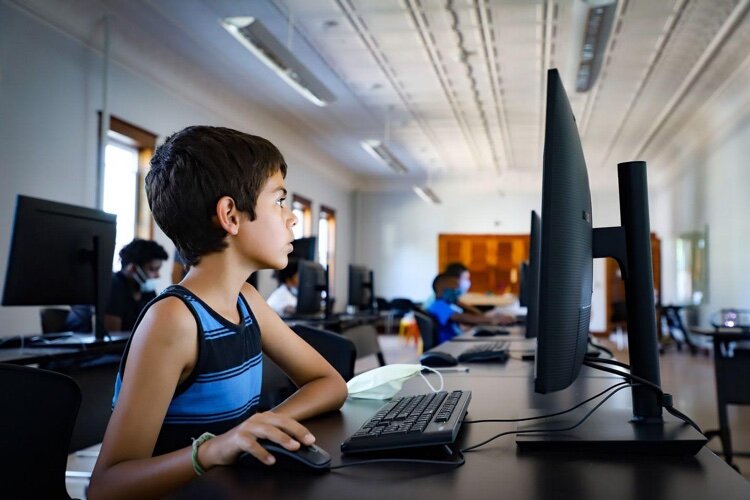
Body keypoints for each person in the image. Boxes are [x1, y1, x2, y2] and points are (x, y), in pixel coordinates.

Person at [88, 126, 348, 499]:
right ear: (230, 215)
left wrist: (262, 426)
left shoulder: (248, 301)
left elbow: (329, 383)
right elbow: (106, 486)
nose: (291, 218)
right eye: (278, 201)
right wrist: (213, 449)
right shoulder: (175, 320)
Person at [104, 239, 168, 332]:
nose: (158, 275)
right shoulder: (113, 287)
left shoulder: (148, 291)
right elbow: (113, 335)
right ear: (133, 269)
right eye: (153, 269)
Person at [427, 273, 508, 344]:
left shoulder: (446, 305)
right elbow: (461, 318)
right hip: (447, 346)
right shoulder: (438, 305)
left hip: (452, 343)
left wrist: (460, 304)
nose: (457, 292)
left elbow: (477, 316)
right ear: (440, 289)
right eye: (453, 289)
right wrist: (492, 320)